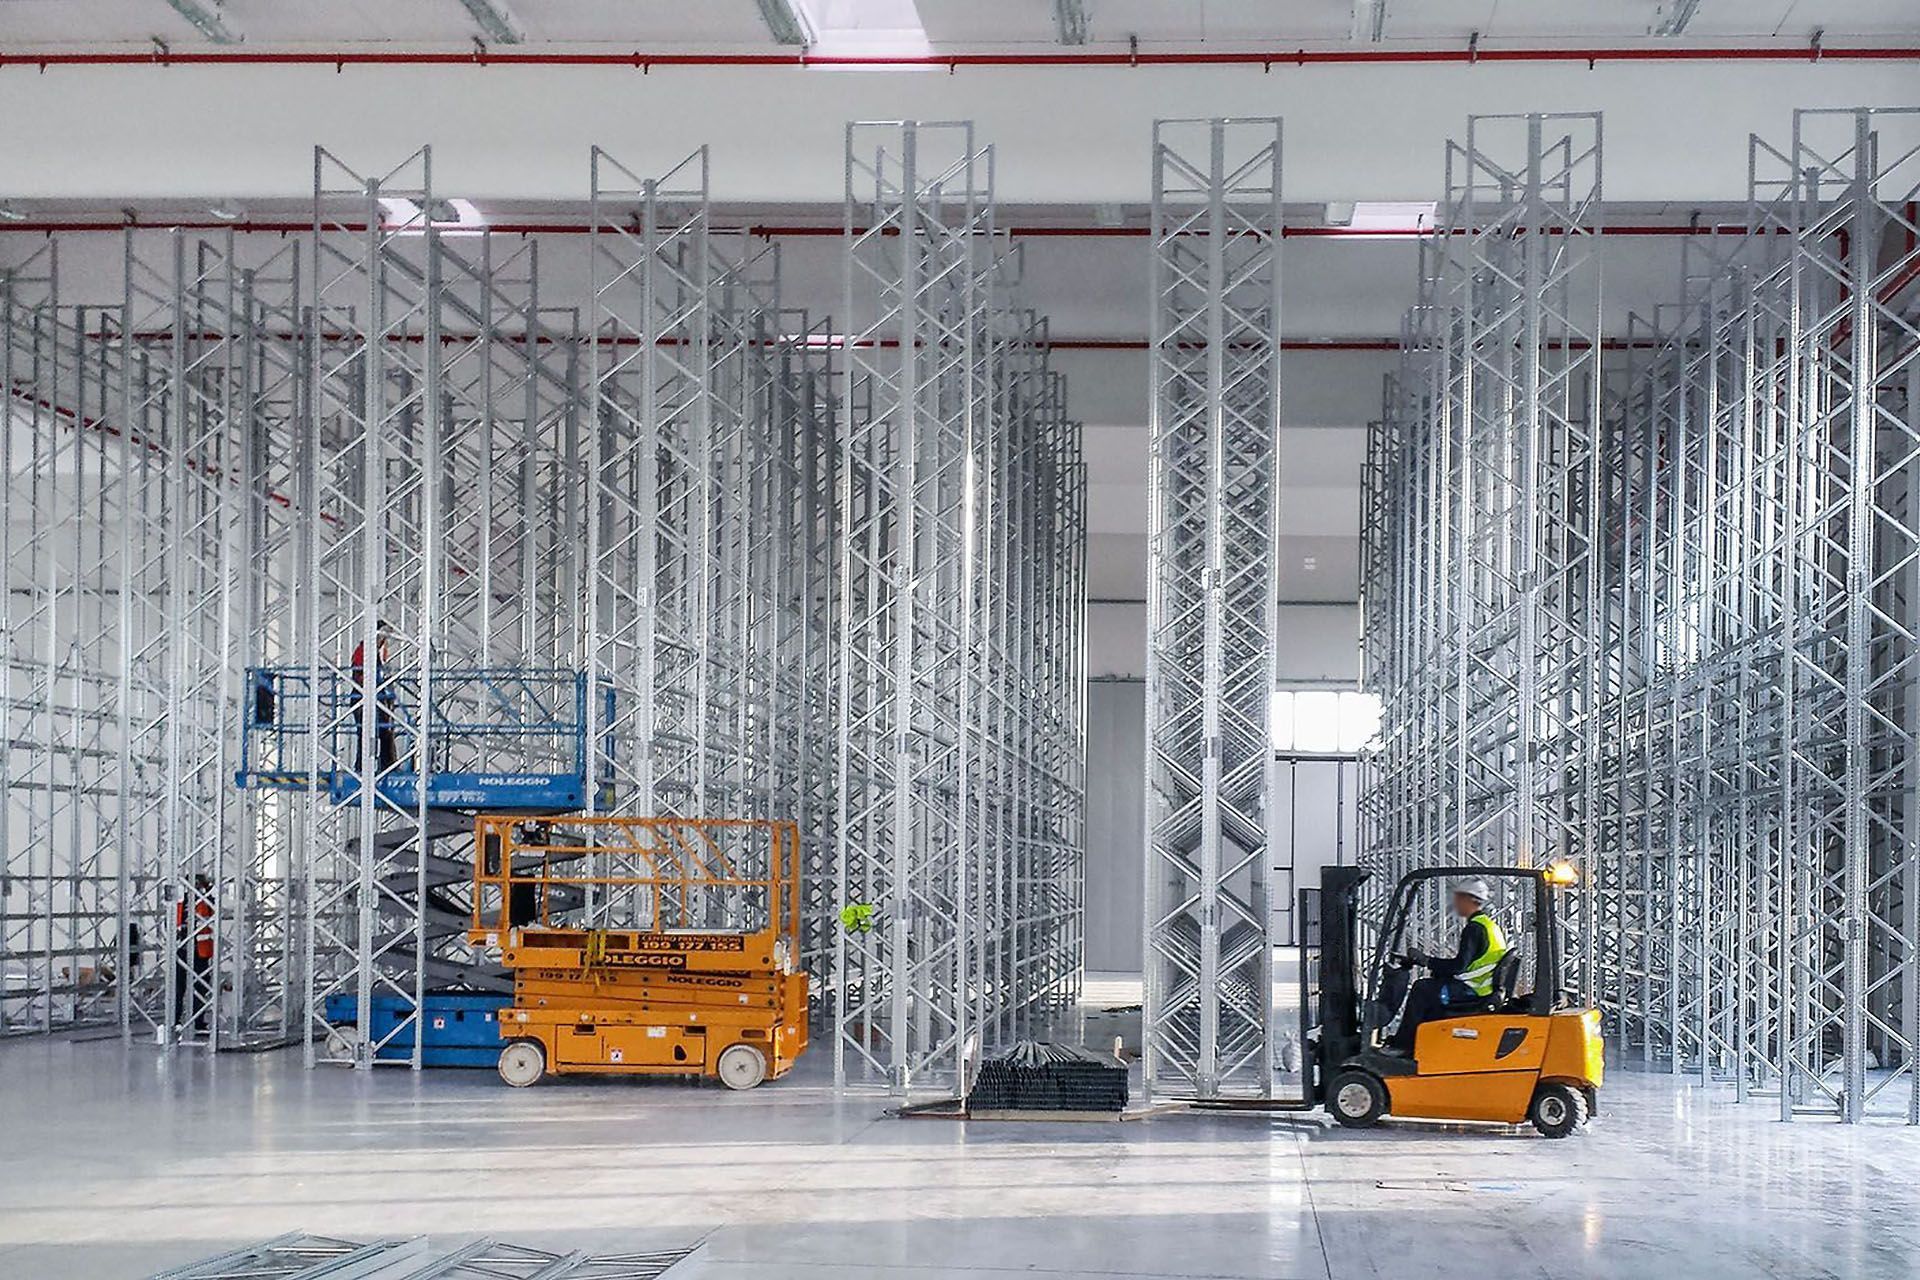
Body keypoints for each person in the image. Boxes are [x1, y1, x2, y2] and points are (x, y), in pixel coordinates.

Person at [1387, 876, 1509, 1054]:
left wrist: (1426, 960)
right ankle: (1426, 1044)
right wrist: (1432, 966)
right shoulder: (1490, 926)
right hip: (1481, 987)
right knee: (1434, 985)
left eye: (1458, 897)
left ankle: (1403, 1046)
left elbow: (1459, 966)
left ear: (1469, 899)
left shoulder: (1474, 929)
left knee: (1421, 989)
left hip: (1474, 990)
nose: (1456, 902)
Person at [350, 620, 398, 773]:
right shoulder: (363, 651)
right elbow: (361, 674)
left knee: (383, 732)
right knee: (368, 733)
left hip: (376, 698)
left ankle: (385, 765)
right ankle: (366, 766)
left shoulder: (376, 652)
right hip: (363, 698)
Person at [173, 874, 214, 1033]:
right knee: (179, 987)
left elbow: (213, 909)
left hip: (200, 950)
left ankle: (199, 1021)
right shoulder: (180, 899)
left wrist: (209, 889)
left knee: (200, 987)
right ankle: (175, 1019)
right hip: (182, 948)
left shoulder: (206, 899)